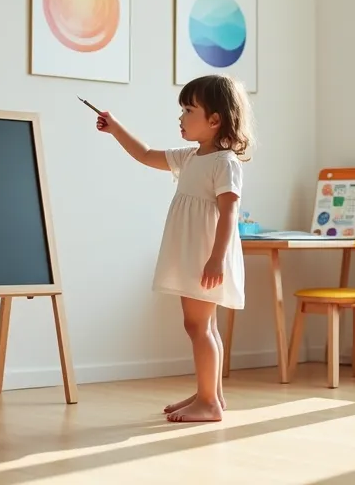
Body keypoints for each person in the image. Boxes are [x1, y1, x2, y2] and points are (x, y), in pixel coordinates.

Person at [96, 74, 253, 422]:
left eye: (188, 110)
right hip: (193, 253)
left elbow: (229, 213)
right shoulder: (191, 157)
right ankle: (210, 393)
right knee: (203, 326)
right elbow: (147, 154)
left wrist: (216, 259)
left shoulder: (224, 163)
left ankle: (209, 403)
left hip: (205, 256)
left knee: (198, 327)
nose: (180, 117)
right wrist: (116, 128)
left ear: (214, 120)